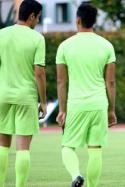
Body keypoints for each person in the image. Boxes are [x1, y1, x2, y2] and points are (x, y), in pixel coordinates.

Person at [56, 3, 117, 187]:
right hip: (99, 104)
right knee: (95, 150)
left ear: (78, 20)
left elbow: (61, 81)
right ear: (95, 21)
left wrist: (62, 110)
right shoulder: (106, 45)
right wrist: (111, 110)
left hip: (76, 104)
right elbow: (111, 82)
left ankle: (76, 176)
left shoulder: (65, 46)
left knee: (67, 146)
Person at [0, 0, 46, 186]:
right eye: (38, 17)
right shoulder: (37, 38)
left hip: (2, 94)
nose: (38, 21)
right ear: (32, 16)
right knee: (23, 149)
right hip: (25, 97)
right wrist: (43, 102)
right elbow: (39, 72)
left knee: (2, 146)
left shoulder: (1, 34)